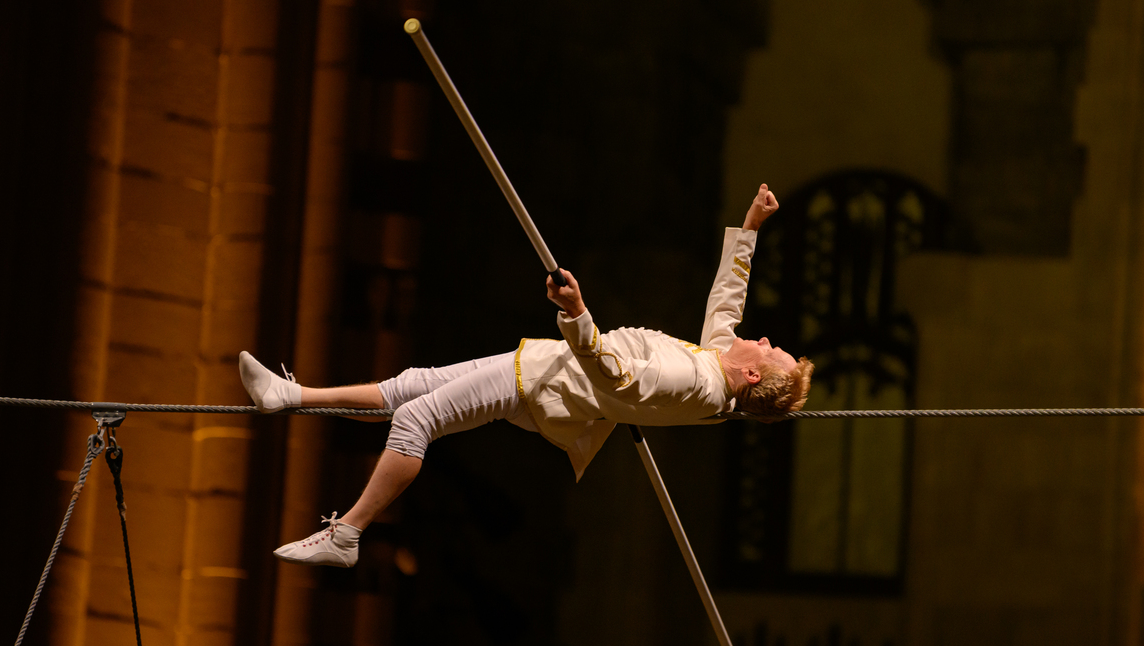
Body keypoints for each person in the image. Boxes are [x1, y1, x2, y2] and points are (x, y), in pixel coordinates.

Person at [239, 183, 814, 567]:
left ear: (751, 376)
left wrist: (577, 313)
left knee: (418, 416)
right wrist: (750, 228)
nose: (762, 340)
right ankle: (290, 396)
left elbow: (616, 377)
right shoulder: (718, 374)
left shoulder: (695, 381)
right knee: (413, 385)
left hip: (546, 382)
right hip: (547, 379)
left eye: (770, 351)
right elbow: (726, 307)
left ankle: (349, 534)